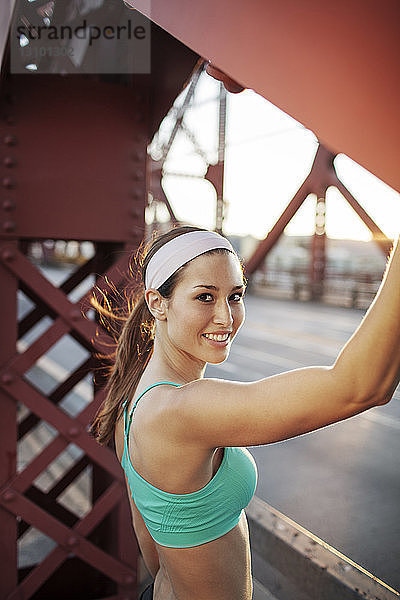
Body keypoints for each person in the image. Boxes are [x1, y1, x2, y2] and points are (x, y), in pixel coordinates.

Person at [92, 225, 400, 600]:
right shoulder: (183, 409)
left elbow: (152, 546)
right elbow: (362, 388)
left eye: (236, 296)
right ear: (158, 303)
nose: (225, 317)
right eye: (205, 297)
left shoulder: (134, 403)